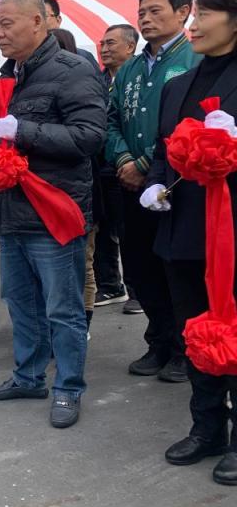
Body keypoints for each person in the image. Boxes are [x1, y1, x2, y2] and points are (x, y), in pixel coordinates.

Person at [0, 0, 106, 428]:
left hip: (53, 212)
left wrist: (25, 130)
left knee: (63, 309)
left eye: (7, 23)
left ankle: (68, 388)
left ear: (39, 21)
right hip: (12, 213)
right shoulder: (8, 76)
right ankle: (28, 376)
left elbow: (90, 137)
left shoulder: (73, 70)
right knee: (20, 303)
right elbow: (4, 140)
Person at [146, 0, 237, 485]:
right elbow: (164, 149)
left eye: (205, 14)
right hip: (183, 228)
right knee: (196, 331)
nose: (194, 23)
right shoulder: (180, 83)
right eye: (195, 14)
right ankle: (207, 428)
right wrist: (154, 183)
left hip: (232, 231)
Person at [106, 0, 199, 384]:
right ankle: (157, 341)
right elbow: (110, 120)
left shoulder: (194, 59)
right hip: (129, 186)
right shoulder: (129, 67)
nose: (145, 18)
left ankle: (185, 349)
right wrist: (125, 158)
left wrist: (146, 163)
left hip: (174, 186)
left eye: (155, 11)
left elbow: (189, 123)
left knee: (176, 271)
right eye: (142, 12)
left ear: (183, 13)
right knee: (141, 268)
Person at [52, 28, 111, 337]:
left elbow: (91, 138)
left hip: (83, 191)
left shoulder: (81, 83)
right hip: (47, 194)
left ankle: (81, 324)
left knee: (82, 262)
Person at [95, 24, 140, 312]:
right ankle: (111, 286)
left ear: (130, 46)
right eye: (102, 43)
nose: (104, 48)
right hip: (100, 166)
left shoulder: (137, 78)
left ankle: (137, 290)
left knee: (129, 232)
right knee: (101, 230)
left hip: (127, 166)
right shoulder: (97, 80)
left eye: (111, 43)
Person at [43, 0, 107, 87]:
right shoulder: (21, 58)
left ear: (58, 20)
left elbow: (99, 91)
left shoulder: (83, 56)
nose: (38, 22)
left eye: (44, 16)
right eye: (32, 18)